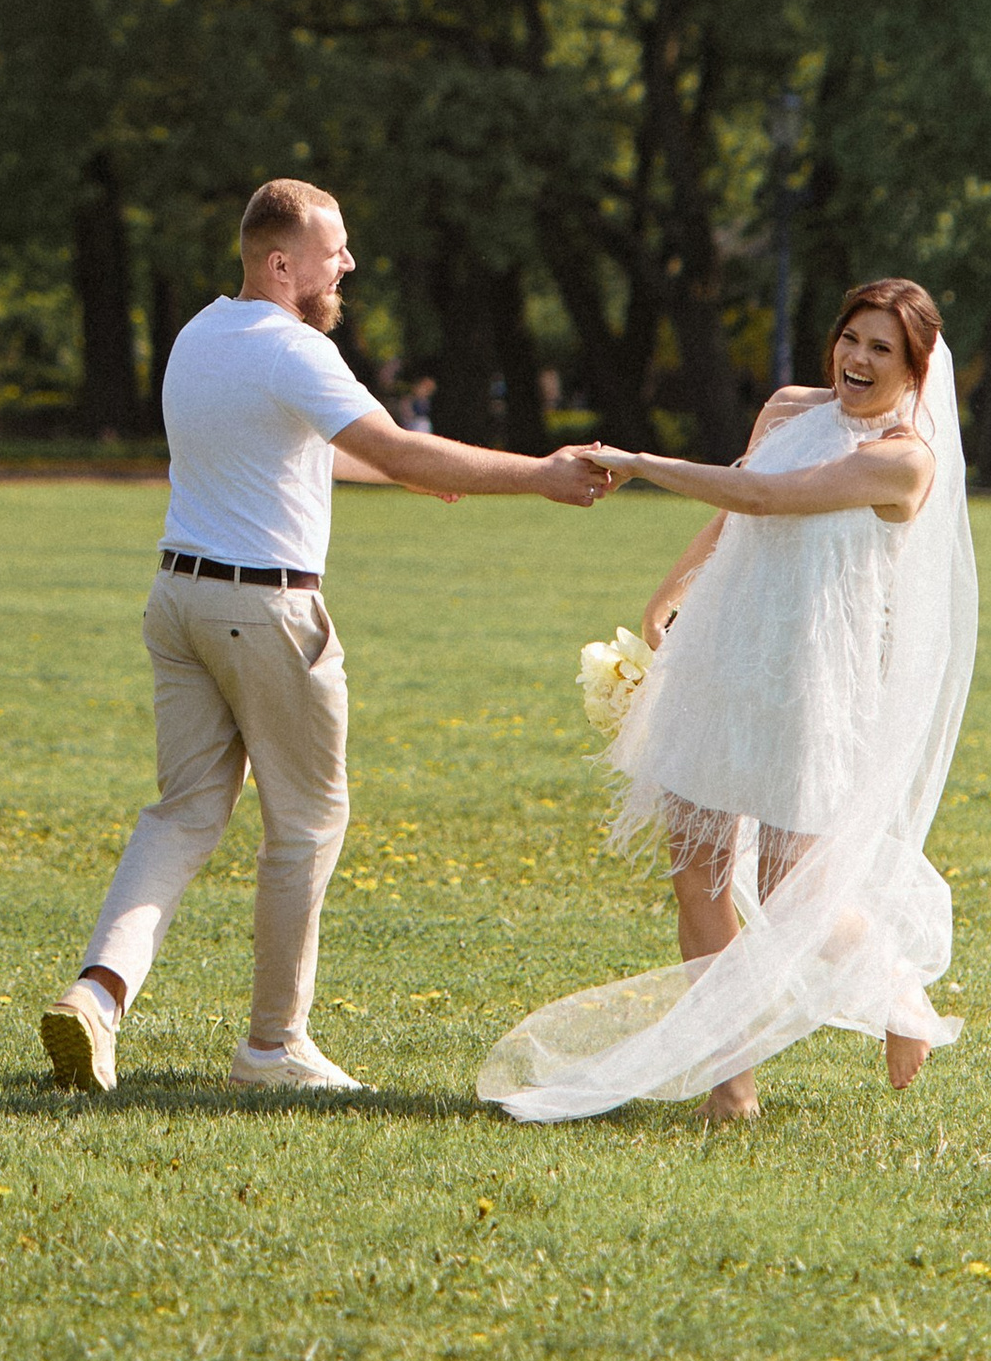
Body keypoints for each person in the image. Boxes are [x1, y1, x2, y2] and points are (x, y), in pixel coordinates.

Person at [41, 179, 607, 1097]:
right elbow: (394, 445)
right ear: (280, 264)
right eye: (333, 251)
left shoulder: (200, 334)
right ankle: (273, 1048)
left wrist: (407, 475)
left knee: (183, 816)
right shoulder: (295, 348)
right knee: (305, 825)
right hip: (267, 614)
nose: (347, 264)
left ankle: (96, 998)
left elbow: (292, 446)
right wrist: (540, 474)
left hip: (178, 599)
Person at [480, 274, 977, 1128]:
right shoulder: (788, 408)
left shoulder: (902, 461)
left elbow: (764, 498)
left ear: (916, 370)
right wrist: (667, 593)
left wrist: (639, 462)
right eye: (851, 337)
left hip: (809, 676)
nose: (857, 358)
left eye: (881, 349)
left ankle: (895, 985)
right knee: (699, 880)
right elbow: (736, 509)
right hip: (723, 651)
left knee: (792, 888)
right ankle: (730, 1085)